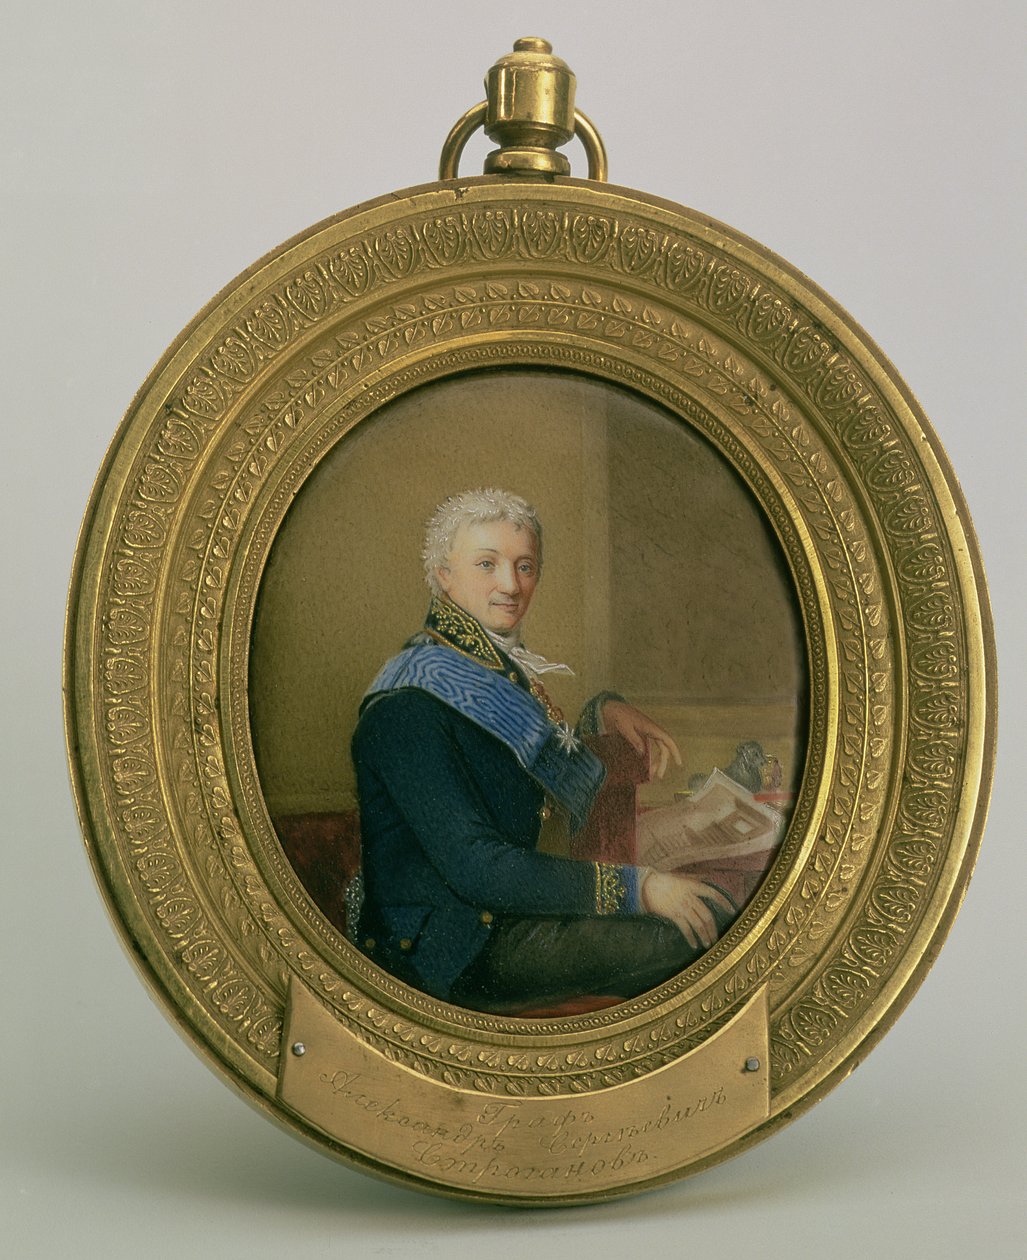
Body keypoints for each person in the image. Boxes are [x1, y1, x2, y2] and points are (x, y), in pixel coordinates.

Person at [352, 488, 736, 1011]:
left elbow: (529, 765)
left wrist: (602, 712)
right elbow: (478, 868)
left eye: (524, 566)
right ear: (443, 574)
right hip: (453, 947)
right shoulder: (408, 704)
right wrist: (640, 888)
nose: (511, 586)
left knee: (711, 911)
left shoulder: (493, 670)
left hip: (509, 914)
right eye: (487, 564)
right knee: (699, 932)